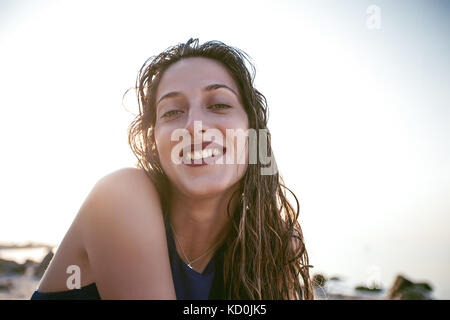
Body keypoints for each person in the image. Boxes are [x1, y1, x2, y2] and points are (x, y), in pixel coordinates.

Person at [30, 38, 314, 300]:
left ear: (253, 133)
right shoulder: (120, 197)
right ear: (154, 142)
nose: (193, 126)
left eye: (218, 104)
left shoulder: (271, 242)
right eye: (173, 112)